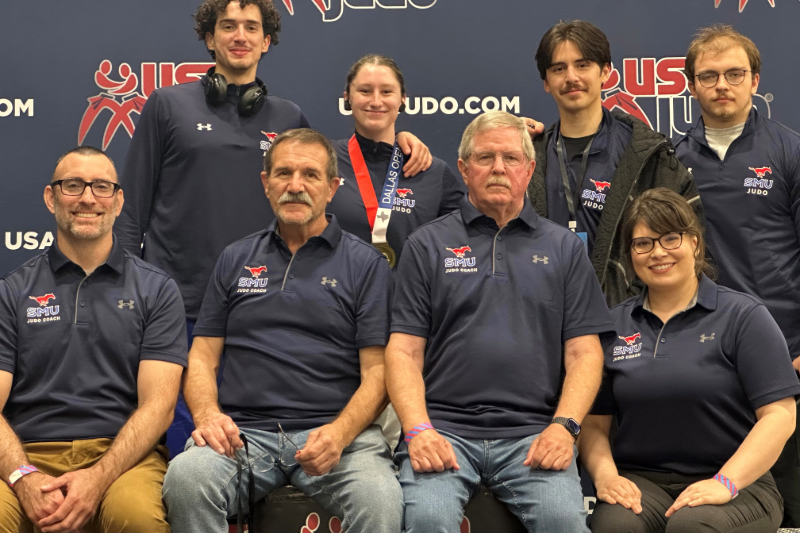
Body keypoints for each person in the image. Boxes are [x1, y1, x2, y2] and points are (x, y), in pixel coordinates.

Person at [115, 0, 431, 456]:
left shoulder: (287, 117)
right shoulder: (167, 105)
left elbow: (324, 169)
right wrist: (127, 297)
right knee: (194, 449)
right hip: (178, 306)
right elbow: (130, 211)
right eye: (228, 26)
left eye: (251, 27)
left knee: (256, 444)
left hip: (257, 308)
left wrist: (397, 142)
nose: (239, 35)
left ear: (267, 41)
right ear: (210, 38)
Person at [385, 111, 616, 533]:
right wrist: (418, 430)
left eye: (510, 158)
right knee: (427, 520)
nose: (497, 168)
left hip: (534, 434)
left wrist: (564, 428)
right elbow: (403, 351)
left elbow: (585, 353)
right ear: (463, 168)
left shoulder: (564, 248)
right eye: (485, 157)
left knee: (565, 523)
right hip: (443, 431)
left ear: (529, 169)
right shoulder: (426, 245)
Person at [162, 129, 402, 533]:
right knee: (186, 481)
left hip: (339, 435)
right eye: (284, 173)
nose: (295, 186)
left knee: (380, 501)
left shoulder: (367, 265)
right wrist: (206, 414)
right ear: (265, 183)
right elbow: (202, 355)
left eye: (310, 175)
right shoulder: (235, 258)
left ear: (332, 187)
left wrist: (340, 434)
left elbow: (379, 373)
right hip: (243, 435)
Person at [580, 188, 800, 533]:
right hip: (644, 484)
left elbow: (780, 416)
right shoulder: (613, 327)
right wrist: (607, 476)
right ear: (630, 254)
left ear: (695, 243)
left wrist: (725, 482)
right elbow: (593, 425)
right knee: (615, 526)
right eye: (643, 243)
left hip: (738, 483)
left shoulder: (744, 317)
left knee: (693, 526)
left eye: (670, 238)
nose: (657, 252)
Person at [0, 147, 187, 533]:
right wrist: (24, 477)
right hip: (27, 454)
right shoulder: (12, 292)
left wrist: (98, 477)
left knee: (139, 520)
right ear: (51, 198)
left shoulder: (157, 290)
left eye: (101, 187)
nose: (88, 198)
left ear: (118, 202)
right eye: (73, 185)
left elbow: (160, 406)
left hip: (123, 458)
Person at [672, 26, 800, 525]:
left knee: (790, 499)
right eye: (709, 76)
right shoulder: (671, 159)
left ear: (755, 81)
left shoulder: (789, 152)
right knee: (719, 497)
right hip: (707, 349)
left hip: (787, 347)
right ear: (691, 85)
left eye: (734, 74)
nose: (722, 85)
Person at [524, 20, 701, 306]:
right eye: (559, 68)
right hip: (544, 316)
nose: (571, 77)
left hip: (627, 324)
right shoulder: (528, 154)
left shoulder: (647, 153)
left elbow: (690, 245)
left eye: (583, 65)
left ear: (606, 72)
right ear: (546, 82)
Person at [329, 54, 465, 268]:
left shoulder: (432, 171)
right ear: (348, 97)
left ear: (402, 99)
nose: (375, 101)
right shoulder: (325, 160)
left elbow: (467, 240)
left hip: (409, 299)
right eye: (365, 91)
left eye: (386, 92)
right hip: (339, 297)